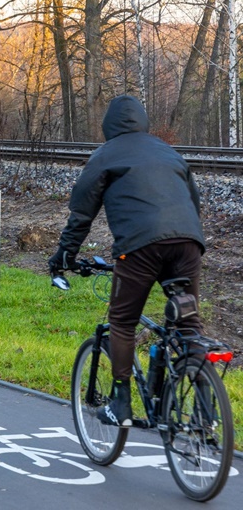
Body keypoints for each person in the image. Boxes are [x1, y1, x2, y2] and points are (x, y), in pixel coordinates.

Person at [49, 94, 205, 427]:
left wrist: (64, 255)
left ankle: (120, 403)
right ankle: (206, 410)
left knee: (122, 322)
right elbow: (194, 201)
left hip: (140, 246)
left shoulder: (106, 154)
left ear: (109, 125)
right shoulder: (168, 151)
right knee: (189, 324)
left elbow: (81, 212)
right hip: (189, 242)